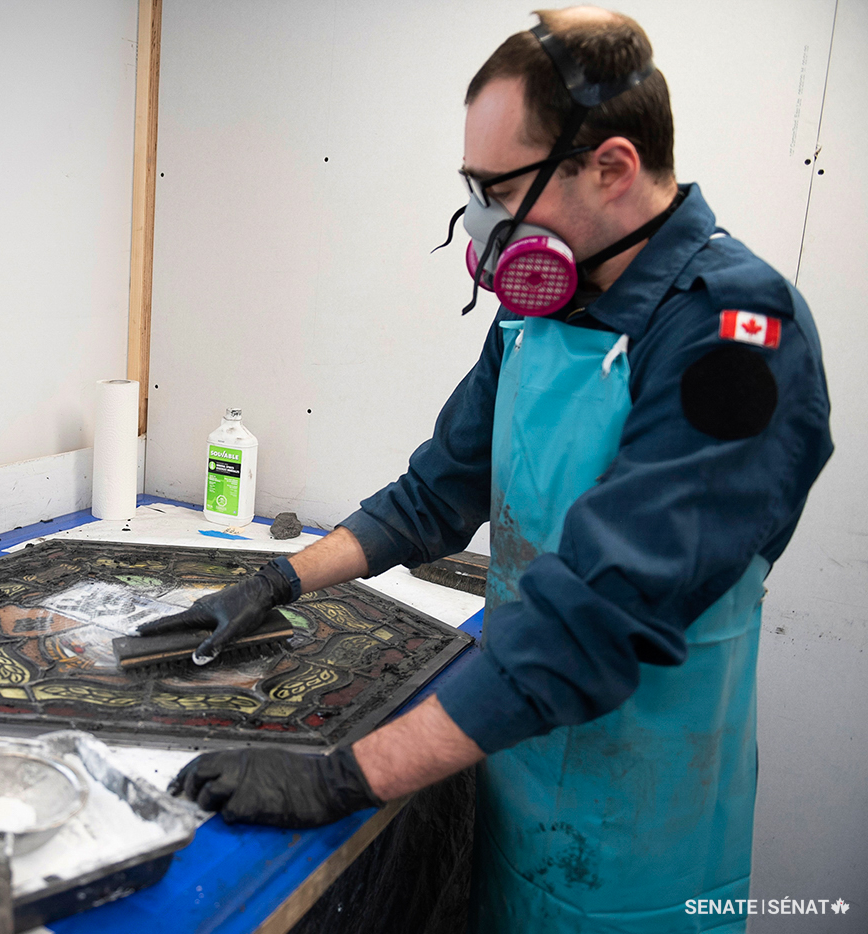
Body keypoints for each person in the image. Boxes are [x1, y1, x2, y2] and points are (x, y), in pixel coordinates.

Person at [139, 7, 834, 931]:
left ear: (612, 168)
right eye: (472, 188)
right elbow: (440, 489)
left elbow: (597, 620)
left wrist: (340, 778)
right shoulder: (541, 308)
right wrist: (276, 581)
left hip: (640, 819)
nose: (482, 221)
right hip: (510, 755)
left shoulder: (735, 334)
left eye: (501, 190)